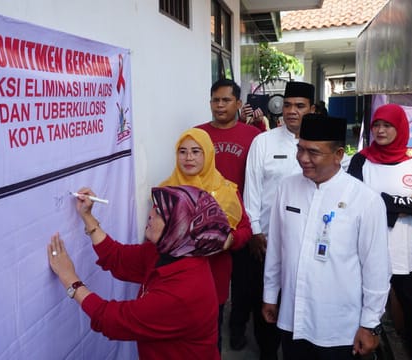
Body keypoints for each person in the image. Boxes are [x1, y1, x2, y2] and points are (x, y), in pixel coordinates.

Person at [47, 185, 232, 360]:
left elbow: (112, 320)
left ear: (181, 227)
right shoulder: (169, 251)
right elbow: (118, 257)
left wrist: (70, 279)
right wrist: (87, 217)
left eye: (159, 213)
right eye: (154, 207)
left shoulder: (184, 291)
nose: (150, 214)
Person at [262, 113, 391, 359]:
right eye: (300, 149)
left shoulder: (365, 200)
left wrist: (370, 323)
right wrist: (270, 294)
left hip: (340, 326)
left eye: (313, 152)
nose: (303, 159)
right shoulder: (286, 188)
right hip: (293, 316)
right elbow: (277, 247)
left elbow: (376, 268)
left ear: (339, 155)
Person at [348, 103, 412, 360]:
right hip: (365, 245)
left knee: (411, 303)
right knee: (362, 302)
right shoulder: (361, 159)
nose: (380, 130)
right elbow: (354, 202)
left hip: (404, 247)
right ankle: (363, 349)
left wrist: (383, 200)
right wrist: (404, 202)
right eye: (377, 124)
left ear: (399, 126)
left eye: (387, 125)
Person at [159, 127, 252, 353]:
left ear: (208, 154)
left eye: (196, 151)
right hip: (176, 280)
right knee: (177, 343)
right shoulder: (165, 190)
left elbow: (245, 229)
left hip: (213, 277)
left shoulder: (227, 190)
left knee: (210, 340)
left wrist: (230, 241)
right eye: (182, 151)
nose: (188, 157)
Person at [243, 81, 315, 358]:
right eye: (287, 105)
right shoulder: (263, 142)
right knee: (266, 301)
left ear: (312, 108)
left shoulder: (319, 146)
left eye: (299, 106)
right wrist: (254, 231)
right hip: (267, 241)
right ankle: (267, 352)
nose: (292, 111)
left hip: (306, 241)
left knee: (301, 301)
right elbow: (252, 189)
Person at [195, 79, 263, 353]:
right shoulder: (198, 135)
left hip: (242, 224)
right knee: (210, 286)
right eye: (215, 100)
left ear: (238, 103)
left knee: (243, 285)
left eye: (225, 100)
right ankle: (212, 338)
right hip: (207, 225)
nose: (220, 105)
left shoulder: (253, 136)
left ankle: (237, 330)